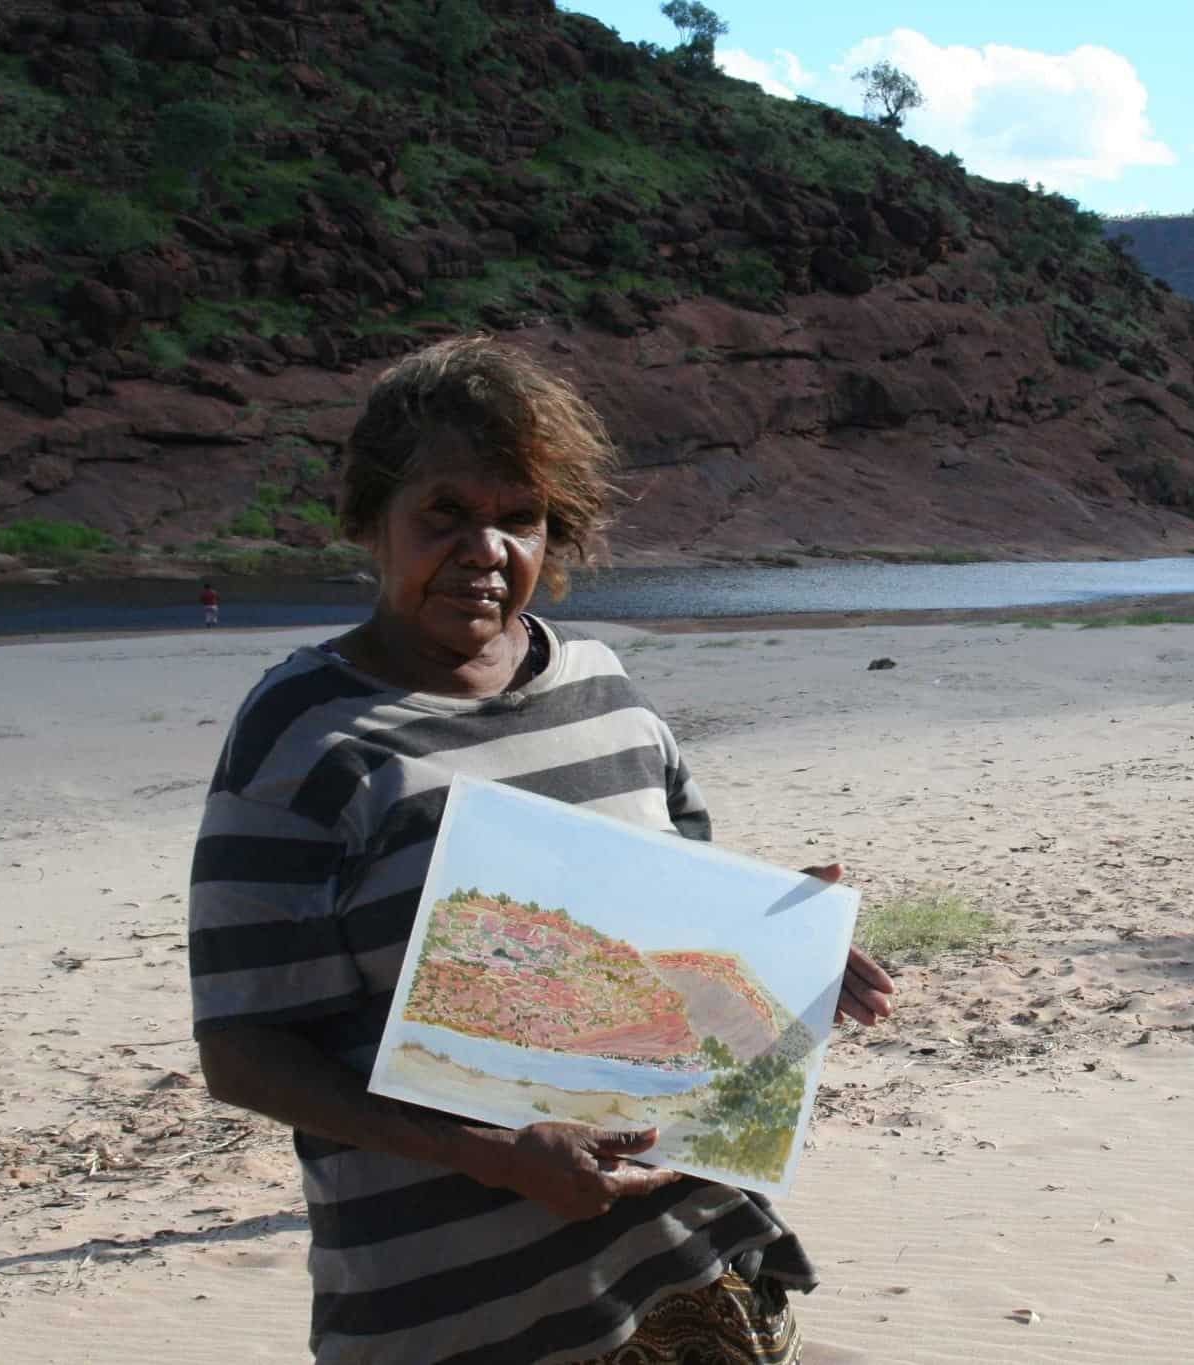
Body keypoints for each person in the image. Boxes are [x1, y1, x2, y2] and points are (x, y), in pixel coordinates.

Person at [188, 335, 896, 1364]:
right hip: (455, 1315)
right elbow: (244, 1049)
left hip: (686, 1276)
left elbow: (670, 914)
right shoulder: (305, 738)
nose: (485, 549)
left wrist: (780, 949)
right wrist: (489, 1154)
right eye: (444, 513)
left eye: (517, 517)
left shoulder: (604, 689)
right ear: (370, 519)